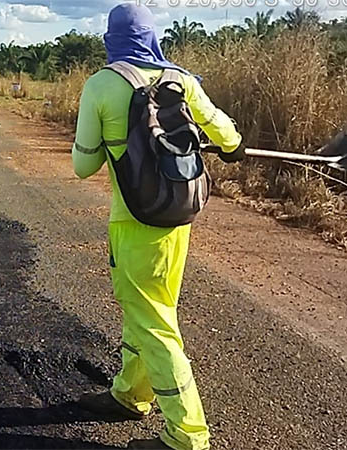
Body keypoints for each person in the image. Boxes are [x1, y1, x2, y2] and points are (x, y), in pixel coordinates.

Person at [72, 4, 244, 450]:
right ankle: (130, 394)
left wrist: (109, 141)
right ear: (152, 36)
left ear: (111, 39)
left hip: (132, 224)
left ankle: (187, 436)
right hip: (176, 220)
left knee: (154, 324)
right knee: (150, 311)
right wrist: (231, 146)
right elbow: (226, 135)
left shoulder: (102, 85)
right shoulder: (179, 80)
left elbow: (82, 165)